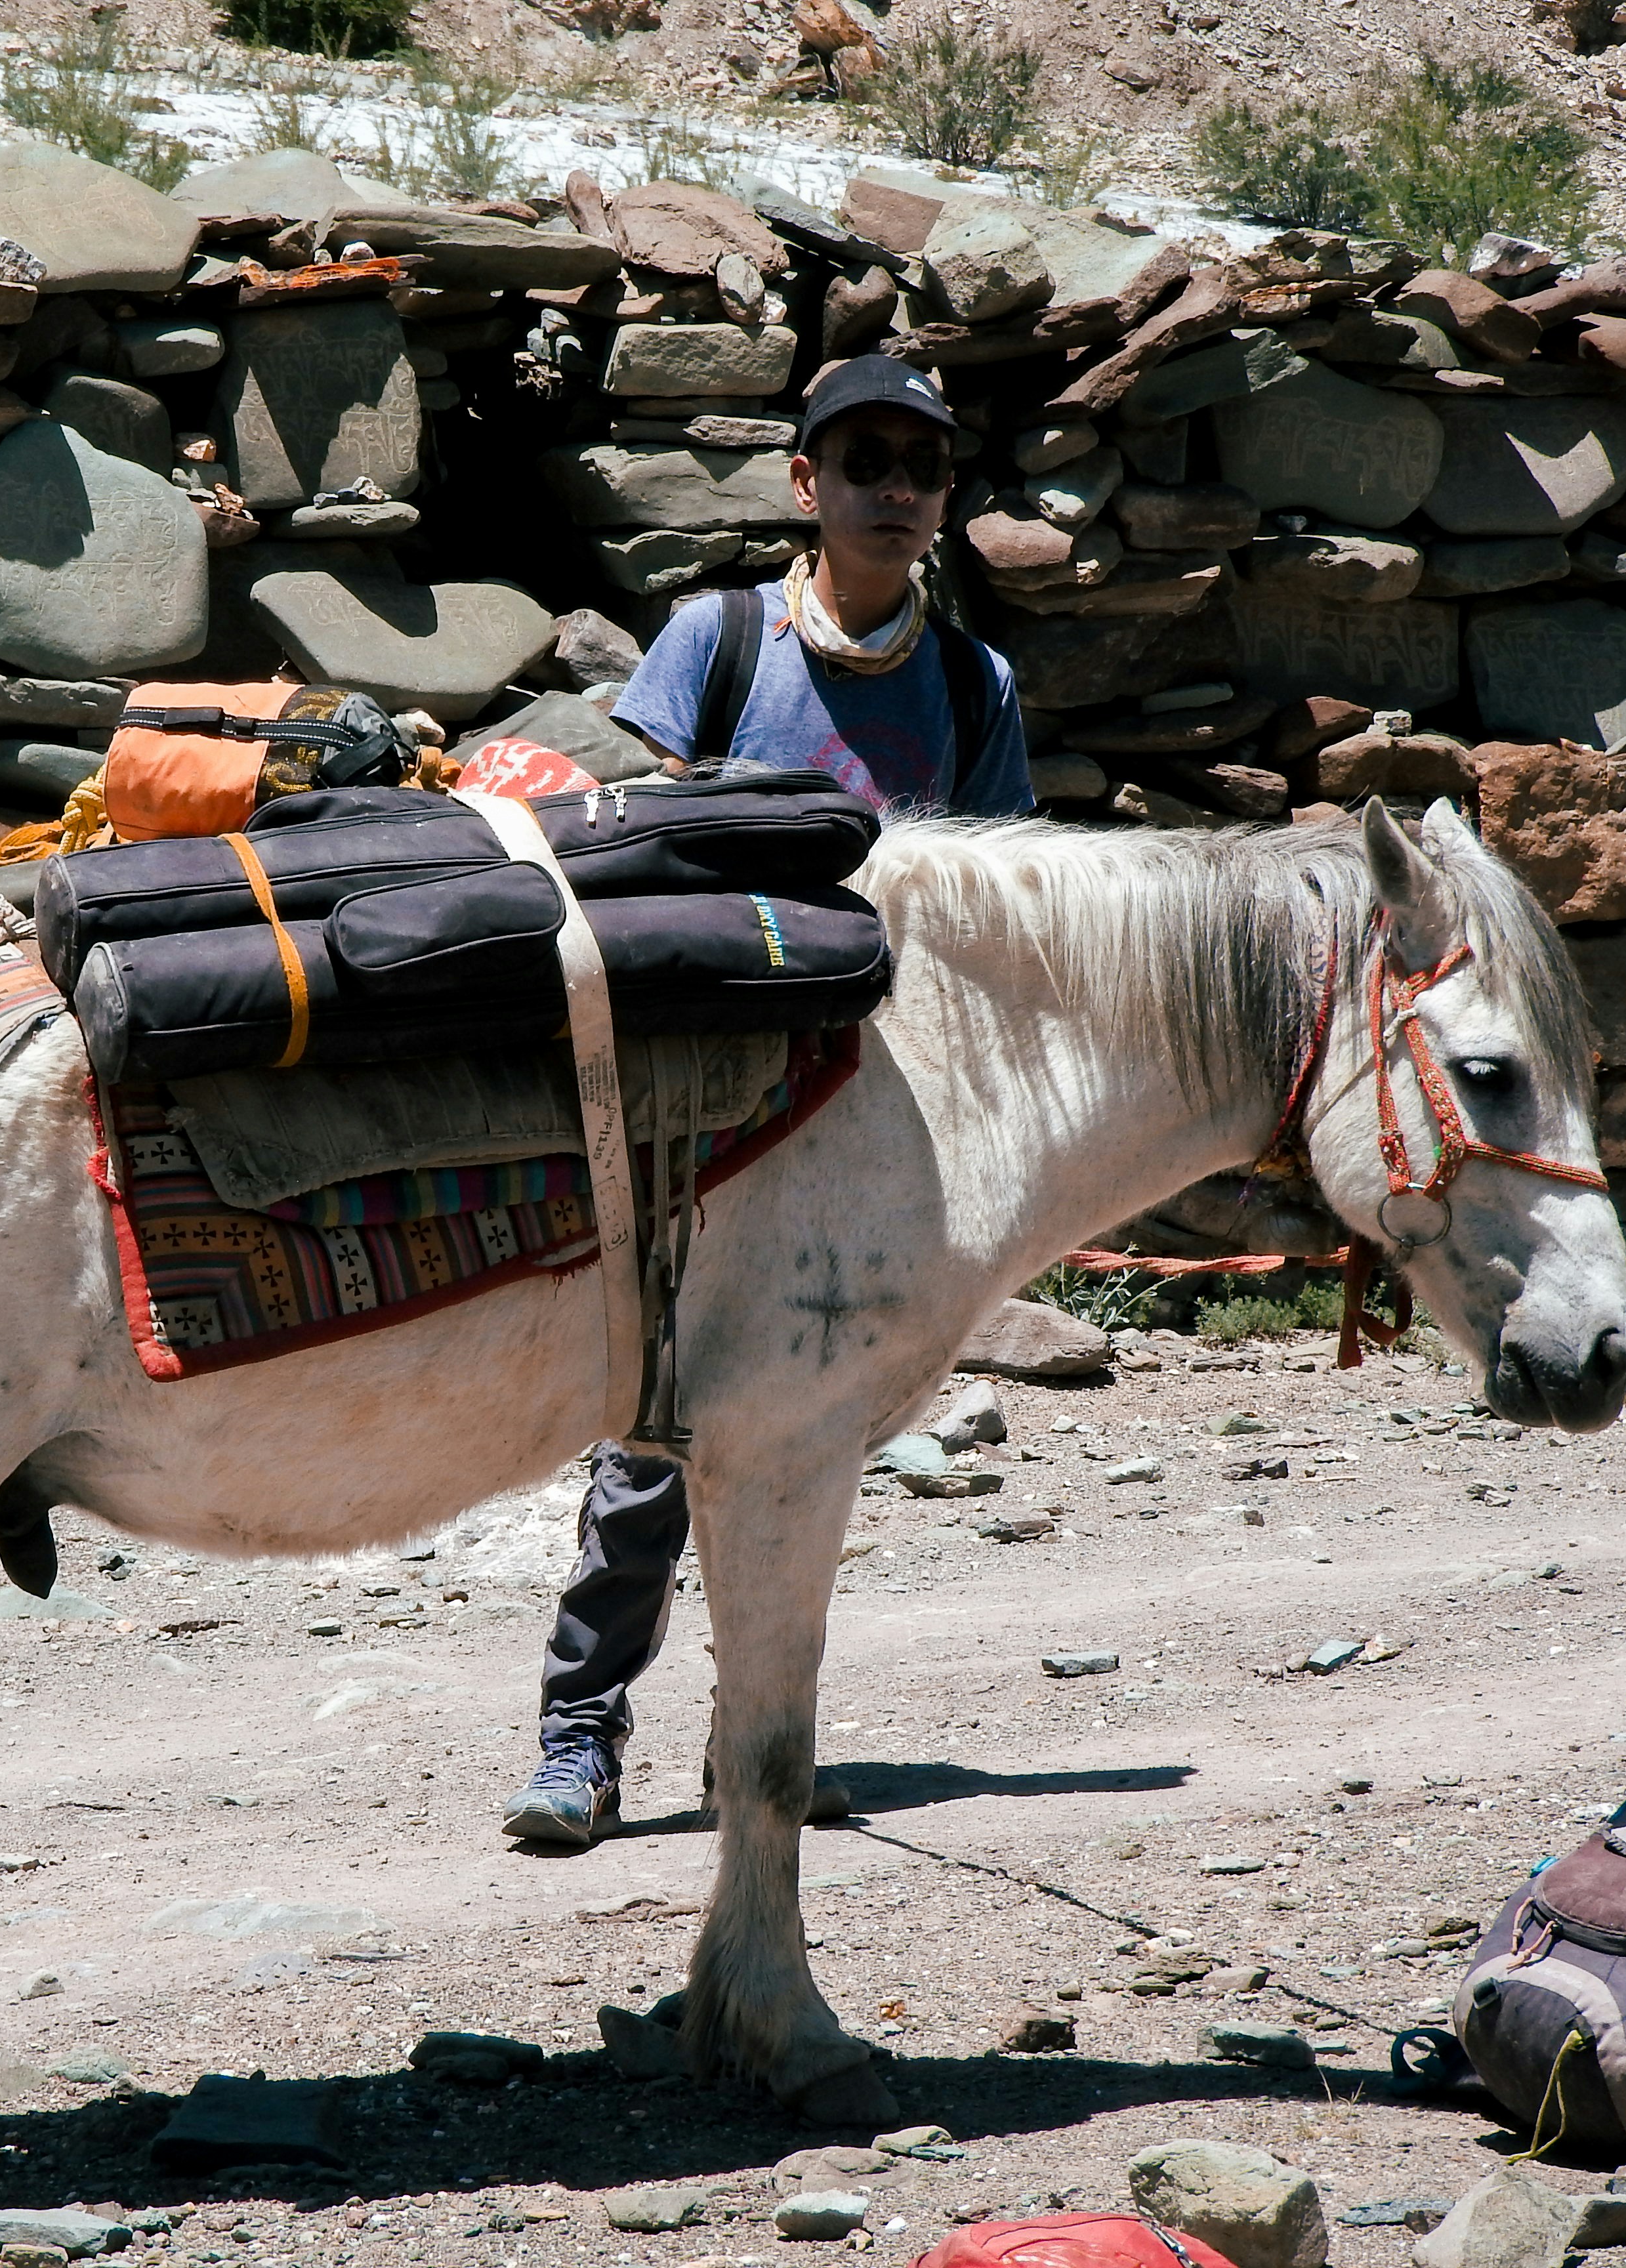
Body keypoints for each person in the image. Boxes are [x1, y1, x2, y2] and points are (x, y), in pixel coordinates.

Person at [501, 354, 1035, 1849]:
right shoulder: (719, 638)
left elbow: (995, 896)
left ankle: (754, 1739)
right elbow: (627, 841)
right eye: (862, 460)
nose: (892, 488)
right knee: (658, 1413)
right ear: (805, 482)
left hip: (876, 1103)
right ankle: (579, 1734)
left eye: (919, 467)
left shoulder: (972, 684)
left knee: (802, 1432)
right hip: (703, 1089)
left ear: (945, 494)